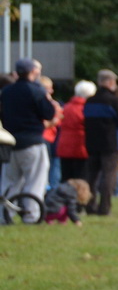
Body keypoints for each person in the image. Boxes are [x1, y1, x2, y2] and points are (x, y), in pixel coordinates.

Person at [1, 58, 60, 221]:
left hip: (10, 142)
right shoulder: (36, 90)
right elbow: (48, 113)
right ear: (33, 72)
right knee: (35, 180)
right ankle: (32, 215)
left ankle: (5, 214)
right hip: (32, 141)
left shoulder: (7, 92)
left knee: (10, 181)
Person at [83, 69, 118, 217]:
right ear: (110, 83)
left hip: (91, 142)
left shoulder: (89, 101)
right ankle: (104, 208)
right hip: (110, 143)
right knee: (108, 175)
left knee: (92, 175)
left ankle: (89, 205)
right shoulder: (114, 101)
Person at [56, 81, 91, 185]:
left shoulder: (66, 107)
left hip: (64, 145)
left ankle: (64, 199)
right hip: (81, 146)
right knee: (81, 179)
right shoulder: (86, 109)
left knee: (66, 178)